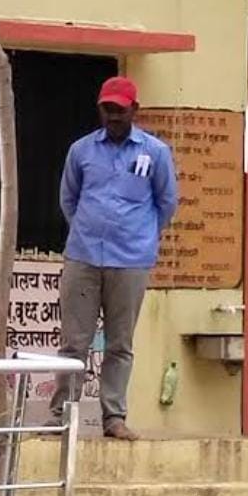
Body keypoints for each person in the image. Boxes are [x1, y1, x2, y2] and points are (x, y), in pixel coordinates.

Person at [51, 76, 177, 440]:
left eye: (120, 110)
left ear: (134, 110)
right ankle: (62, 415)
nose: (113, 116)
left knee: (119, 344)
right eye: (107, 109)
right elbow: (69, 199)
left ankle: (114, 418)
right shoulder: (81, 151)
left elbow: (166, 203)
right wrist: (88, 230)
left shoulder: (155, 153)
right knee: (74, 342)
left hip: (131, 261)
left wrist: (140, 236)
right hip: (84, 256)